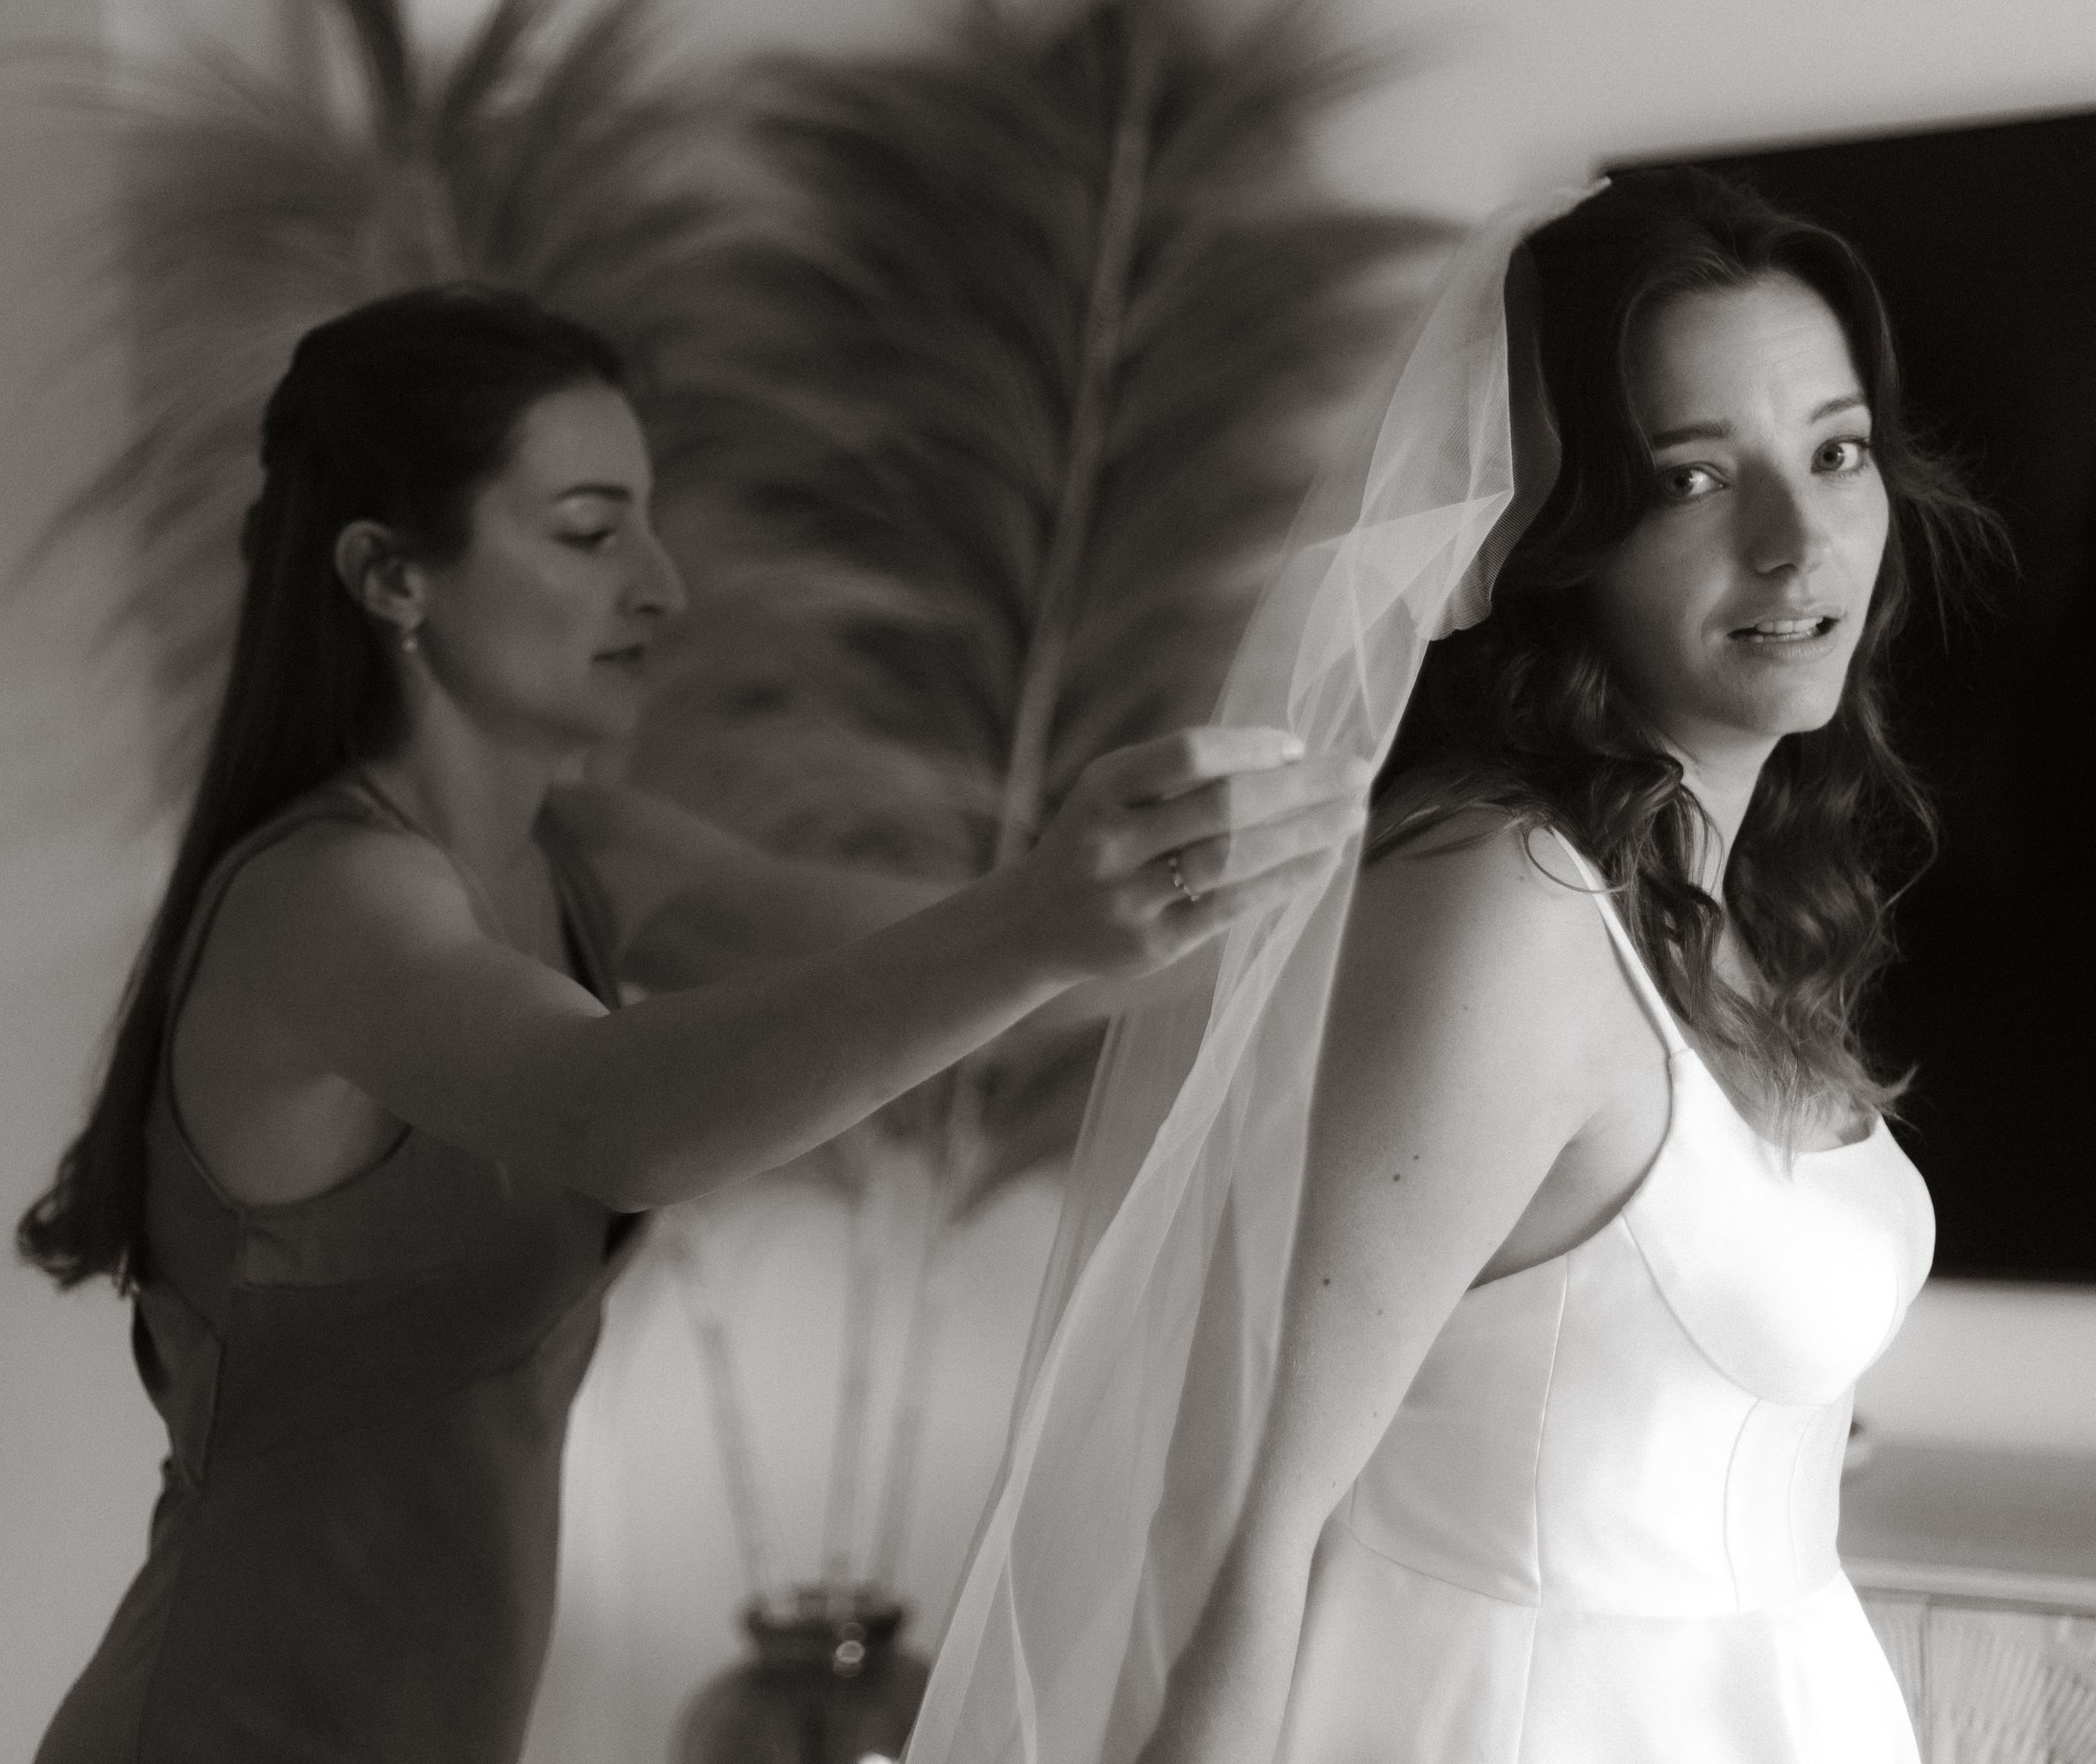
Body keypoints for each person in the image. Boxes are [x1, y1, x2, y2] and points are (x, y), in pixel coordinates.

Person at [17, 285, 1368, 1764]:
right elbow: (619, 1117)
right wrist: (1040, 921)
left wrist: (1357, 849)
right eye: (592, 533)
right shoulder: (323, 903)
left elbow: (1010, 967)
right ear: (390, 575)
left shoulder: (594, 858)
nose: (660, 586)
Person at [905, 168, 1997, 1764]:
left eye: (1835, 453)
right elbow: (1245, 1512)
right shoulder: (1506, 900)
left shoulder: (1735, 897)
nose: (1794, 539)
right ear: (1555, 536)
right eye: (1695, 480)